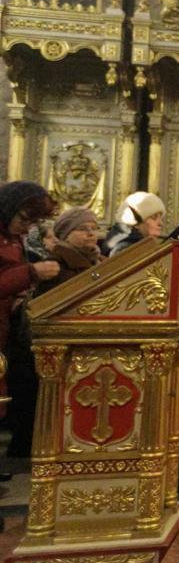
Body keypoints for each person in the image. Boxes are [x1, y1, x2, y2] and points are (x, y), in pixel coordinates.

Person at [0, 182, 60, 466]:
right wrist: (31, 272)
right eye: (24, 220)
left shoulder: (13, 239)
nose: (27, 229)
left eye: (32, 223)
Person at [43, 207, 104, 288]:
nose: (91, 233)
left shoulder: (103, 261)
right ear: (66, 235)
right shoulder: (55, 265)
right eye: (82, 229)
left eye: (94, 228)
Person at [103, 191, 166, 256]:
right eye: (154, 218)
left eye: (160, 218)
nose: (161, 223)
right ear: (135, 223)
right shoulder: (124, 249)